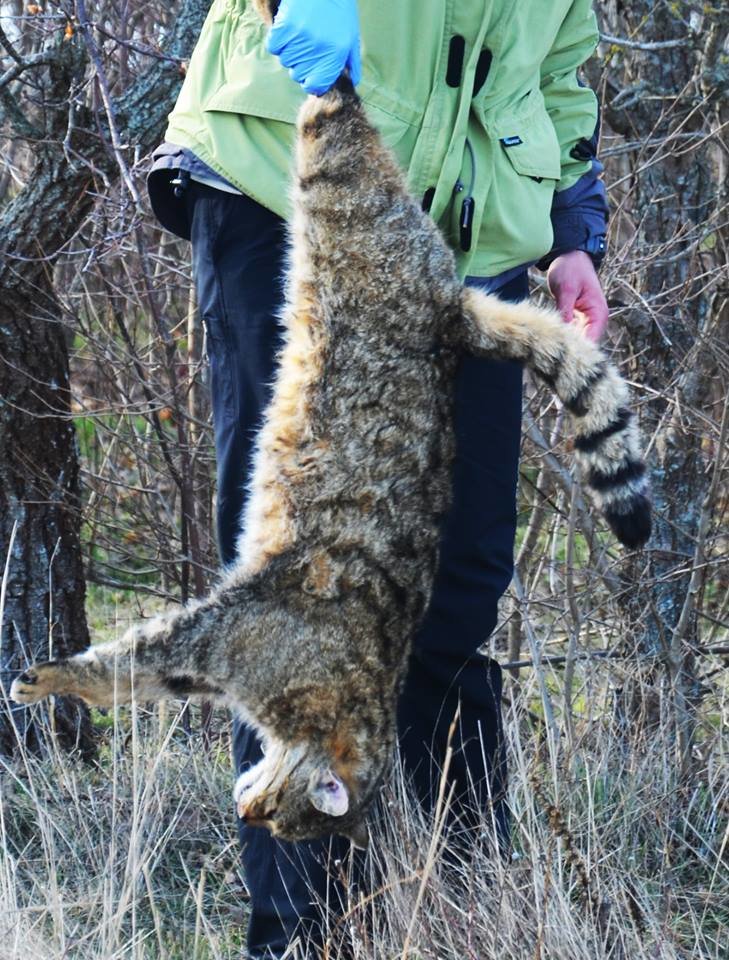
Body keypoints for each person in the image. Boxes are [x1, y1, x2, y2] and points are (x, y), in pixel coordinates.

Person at [147, 1, 609, 956]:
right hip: (293, 179)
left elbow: (559, 56)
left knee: (453, 592)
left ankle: (456, 924)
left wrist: (571, 225)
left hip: (470, 245)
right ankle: (305, 940)